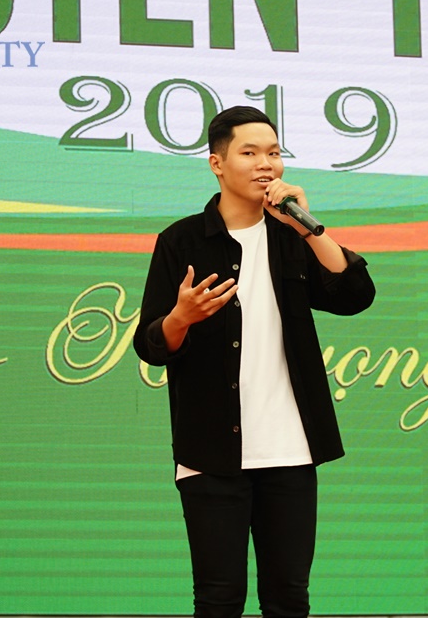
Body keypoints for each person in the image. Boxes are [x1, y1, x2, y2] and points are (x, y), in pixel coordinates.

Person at [133, 105, 376, 617]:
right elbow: (150, 344)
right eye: (250, 152)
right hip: (210, 451)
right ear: (217, 164)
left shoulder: (292, 237)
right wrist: (181, 316)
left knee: (288, 598)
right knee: (219, 598)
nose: (266, 164)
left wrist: (309, 227)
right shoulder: (181, 241)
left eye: (274, 153)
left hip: (291, 449)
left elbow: (355, 295)